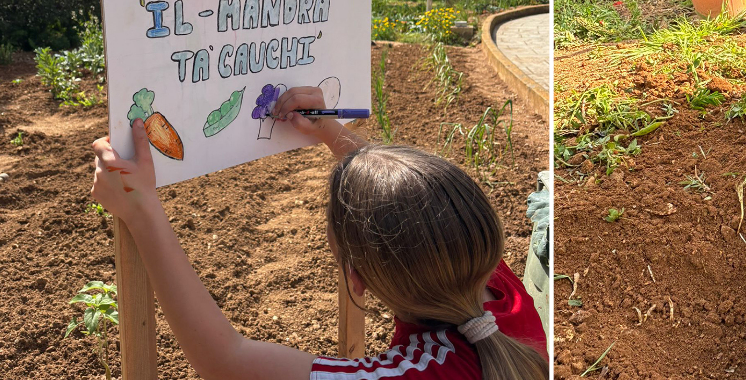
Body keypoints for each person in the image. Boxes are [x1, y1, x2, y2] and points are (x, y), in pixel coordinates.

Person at [90, 86, 548, 380]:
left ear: (356, 280)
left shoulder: (408, 375)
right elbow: (425, 209)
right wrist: (331, 130)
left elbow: (226, 361)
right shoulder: (497, 289)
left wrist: (144, 210)